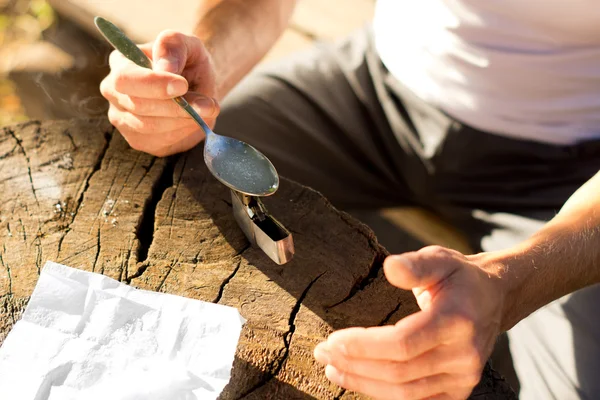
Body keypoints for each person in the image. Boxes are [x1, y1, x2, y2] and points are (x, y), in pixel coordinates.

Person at [100, 0, 600, 398]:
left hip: (570, 175)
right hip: (375, 85)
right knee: (163, 177)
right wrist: (198, 80)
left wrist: (510, 283)